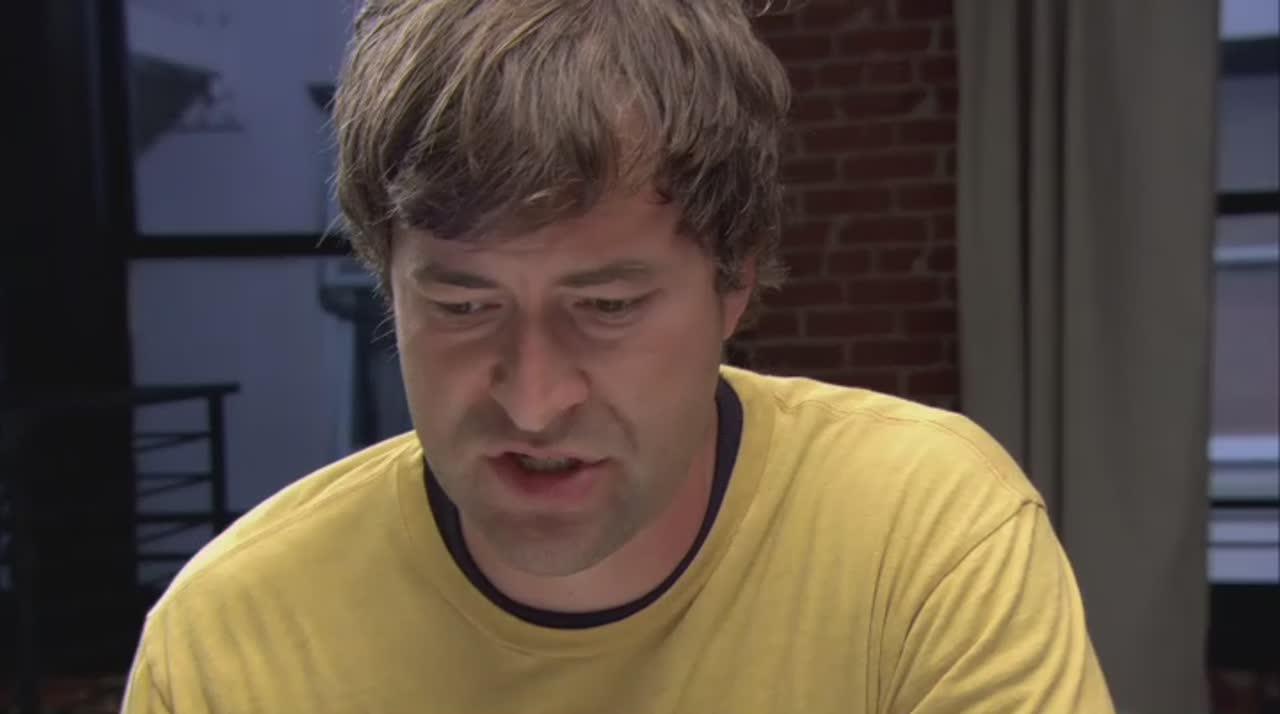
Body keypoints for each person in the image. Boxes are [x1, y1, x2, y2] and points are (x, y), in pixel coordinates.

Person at [120, 1, 1115, 712]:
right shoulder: (233, 642)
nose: (534, 401)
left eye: (606, 307)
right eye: (461, 304)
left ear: (734, 279)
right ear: (388, 281)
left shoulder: (921, 535)